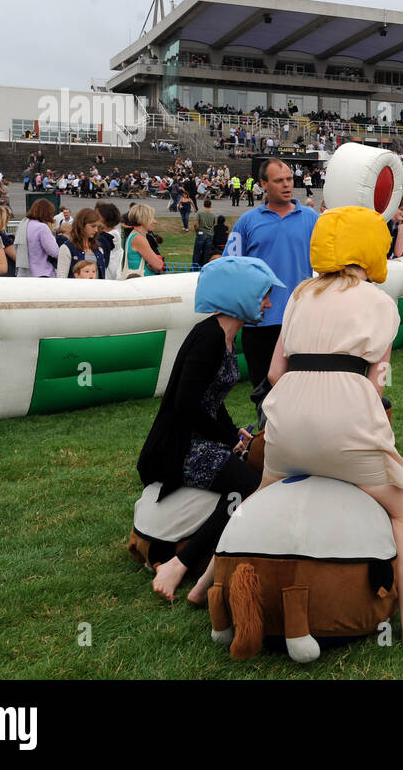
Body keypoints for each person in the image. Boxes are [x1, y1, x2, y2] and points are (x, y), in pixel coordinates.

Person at [259, 206, 403, 645]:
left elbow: (275, 373)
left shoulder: (299, 294)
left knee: (255, 501)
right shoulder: (380, 302)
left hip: (287, 417)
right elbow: (378, 382)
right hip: (347, 418)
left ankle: (204, 582)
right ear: (372, 248)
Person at [140, 257, 284, 603]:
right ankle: (179, 563)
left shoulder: (225, 337)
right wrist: (225, 439)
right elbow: (186, 404)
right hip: (178, 446)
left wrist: (234, 432)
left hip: (196, 436)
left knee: (249, 467)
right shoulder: (209, 339)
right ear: (241, 295)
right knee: (249, 485)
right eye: (262, 295)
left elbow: (210, 400)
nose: (267, 303)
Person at [226, 157, 320, 390]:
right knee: (264, 393)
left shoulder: (312, 218)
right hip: (259, 324)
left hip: (301, 320)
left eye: (289, 179)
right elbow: (230, 267)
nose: (287, 184)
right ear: (263, 184)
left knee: (302, 390)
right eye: (279, 180)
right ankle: (265, 428)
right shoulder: (246, 222)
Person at [56, 208, 105, 278]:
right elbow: (61, 277)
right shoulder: (66, 248)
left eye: (98, 227)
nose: (96, 230)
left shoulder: (99, 248)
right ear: (81, 225)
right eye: (93, 226)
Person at [121, 203, 166, 277]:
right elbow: (158, 265)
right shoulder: (139, 238)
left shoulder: (134, 234)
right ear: (142, 219)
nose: (155, 221)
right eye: (151, 218)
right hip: (141, 282)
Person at [20, 199, 63, 277]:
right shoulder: (42, 227)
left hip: (25, 273)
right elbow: (54, 252)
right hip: (42, 273)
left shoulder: (23, 225)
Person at [193, 199, 216, 267]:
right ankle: (204, 266)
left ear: (203, 204)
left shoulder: (199, 212)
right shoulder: (213, 213)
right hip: (210, 234)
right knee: (207, 252)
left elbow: (196, 224)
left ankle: (195, 267)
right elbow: (214, 224)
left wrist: (197, 231)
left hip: (201, 233)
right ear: (210, 205)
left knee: (197, 251)